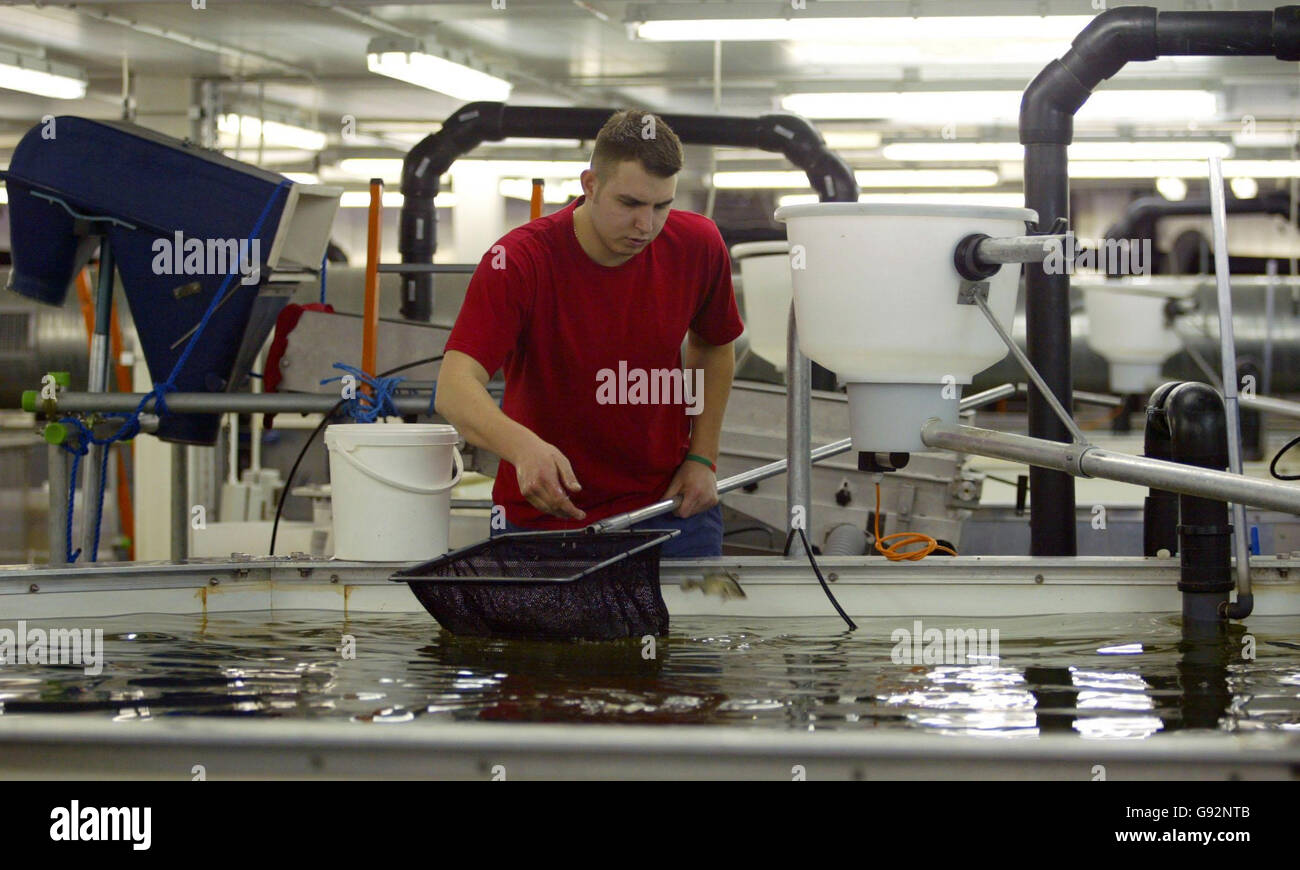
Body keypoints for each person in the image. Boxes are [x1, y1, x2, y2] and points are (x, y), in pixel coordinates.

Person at [434, 110, 744, 558]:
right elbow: (454, 387)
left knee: (687, 630)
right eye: (630, 204)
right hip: (547, 515)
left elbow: (714, 344)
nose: (646, 226)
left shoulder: (699, 244)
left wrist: (702, 458)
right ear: (590, 184)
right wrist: (523, 448)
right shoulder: (519, 262)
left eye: (662, 206)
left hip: (669, 509)